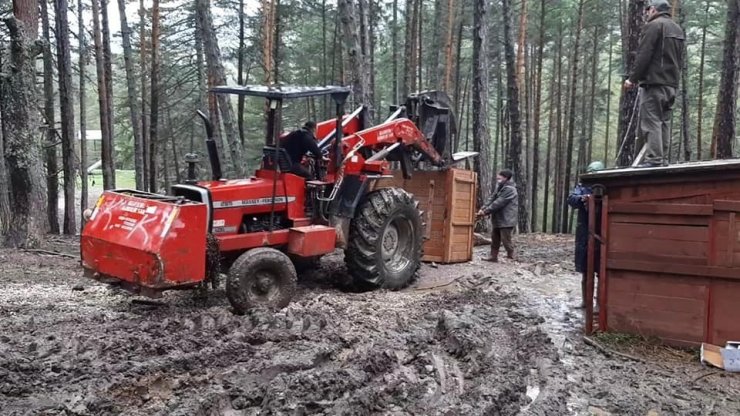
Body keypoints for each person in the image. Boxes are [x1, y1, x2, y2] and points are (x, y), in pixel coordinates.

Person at [623, 0, 684, 168]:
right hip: (671, 84)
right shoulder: (677, 28)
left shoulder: (653, 26)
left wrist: (632, 79)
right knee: (663, 121)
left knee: (651, 121)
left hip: (654, 84)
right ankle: (662, 159)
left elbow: (644, 55)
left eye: (648, 9)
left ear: (655, 10)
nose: (647, 12)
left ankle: (654, 159)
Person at [568, 161, 604, 308]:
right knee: (585, 271)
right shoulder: (581, 187)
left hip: (603, 234)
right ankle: (585, 301)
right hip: (584, 234)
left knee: (602, 272)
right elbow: (571, 199)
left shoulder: (607, 186)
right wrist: (583, 198)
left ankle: (599, 303)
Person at [477, 169, 519, 262]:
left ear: (506, 178)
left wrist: (486, 211)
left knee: (505, 240)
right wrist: (483, 208)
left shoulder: (510, 189)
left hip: (506, 219)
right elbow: (492, 198)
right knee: (495, 238)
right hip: (498, 218)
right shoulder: (500, 187)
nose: (498, 178)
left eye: (500, 177)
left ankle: (511, 255)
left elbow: (499, 202)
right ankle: (493, 256)